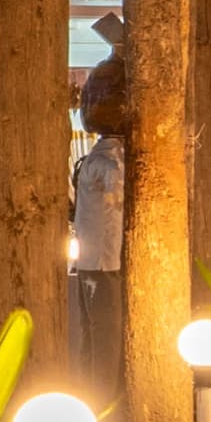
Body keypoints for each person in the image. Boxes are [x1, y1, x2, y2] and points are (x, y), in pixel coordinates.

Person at [68, 34, 127, 390]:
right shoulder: (106, 159)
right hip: (101, 261)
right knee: (101, 332)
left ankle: (98, 388)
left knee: (98, 332)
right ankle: (100, 390)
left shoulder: (101, 159)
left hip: (97, 261)